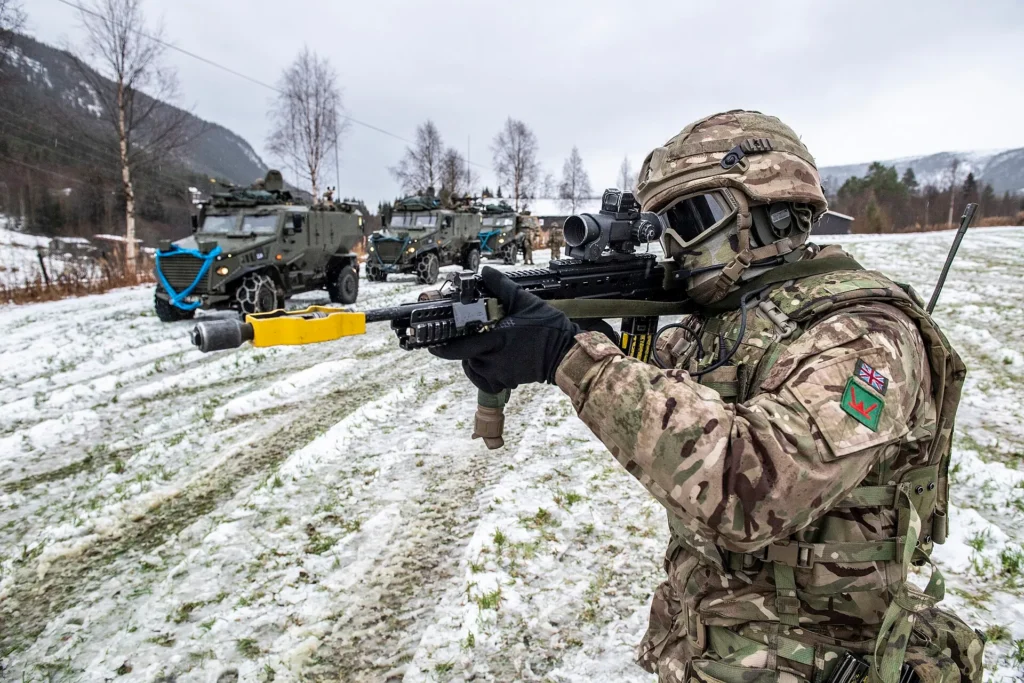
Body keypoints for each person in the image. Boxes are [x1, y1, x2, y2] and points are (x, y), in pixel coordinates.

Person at [431, 111, 983, 683]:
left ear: (774, 211)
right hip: (712, 644)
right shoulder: (729, 321)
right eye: (664, 227)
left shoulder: (865, 335)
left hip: (824, 656)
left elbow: (754, 489)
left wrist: (571, 358)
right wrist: (568, 340)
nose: (675, 246)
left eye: (692, 220)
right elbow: (667, 405)